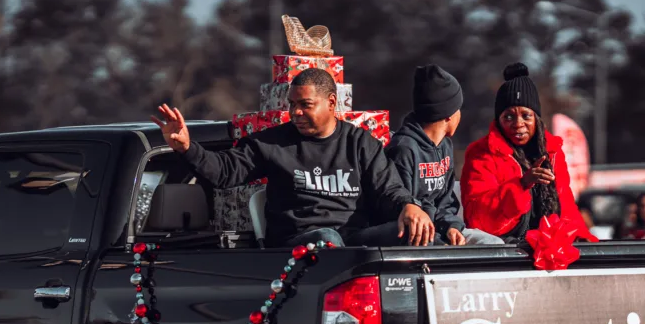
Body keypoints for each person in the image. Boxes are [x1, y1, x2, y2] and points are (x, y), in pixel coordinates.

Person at [151, 68, 435, 248]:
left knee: (420, 233)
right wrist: (186, 147)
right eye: (292, 104)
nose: (295, 112)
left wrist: (409, 206)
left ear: (331, 103)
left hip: (354, 239)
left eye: (305, 105)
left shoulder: (360, 142)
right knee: (328, 240)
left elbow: (389, 188)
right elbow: (225, 171)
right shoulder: (272, 143)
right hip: (297, 243)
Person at [461, 63, 596, 243]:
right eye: (508, 116)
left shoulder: (552, 152)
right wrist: (521, 185)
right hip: (504, 249)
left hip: (550, 246)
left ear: (536, 118)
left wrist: (582, 236)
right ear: (499, 120)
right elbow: (477, 220)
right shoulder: (481, 153)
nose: (518, 123)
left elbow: (566, 207)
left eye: (526, 115)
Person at [384, 65, 502, 246]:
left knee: (491, 244)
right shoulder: (403, 149)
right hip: (416, 234)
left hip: (441, 227)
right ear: (448, 114)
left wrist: (451, 226)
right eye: (458, 108)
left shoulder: (445, 145)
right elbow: (402, 206)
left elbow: (446, 202)